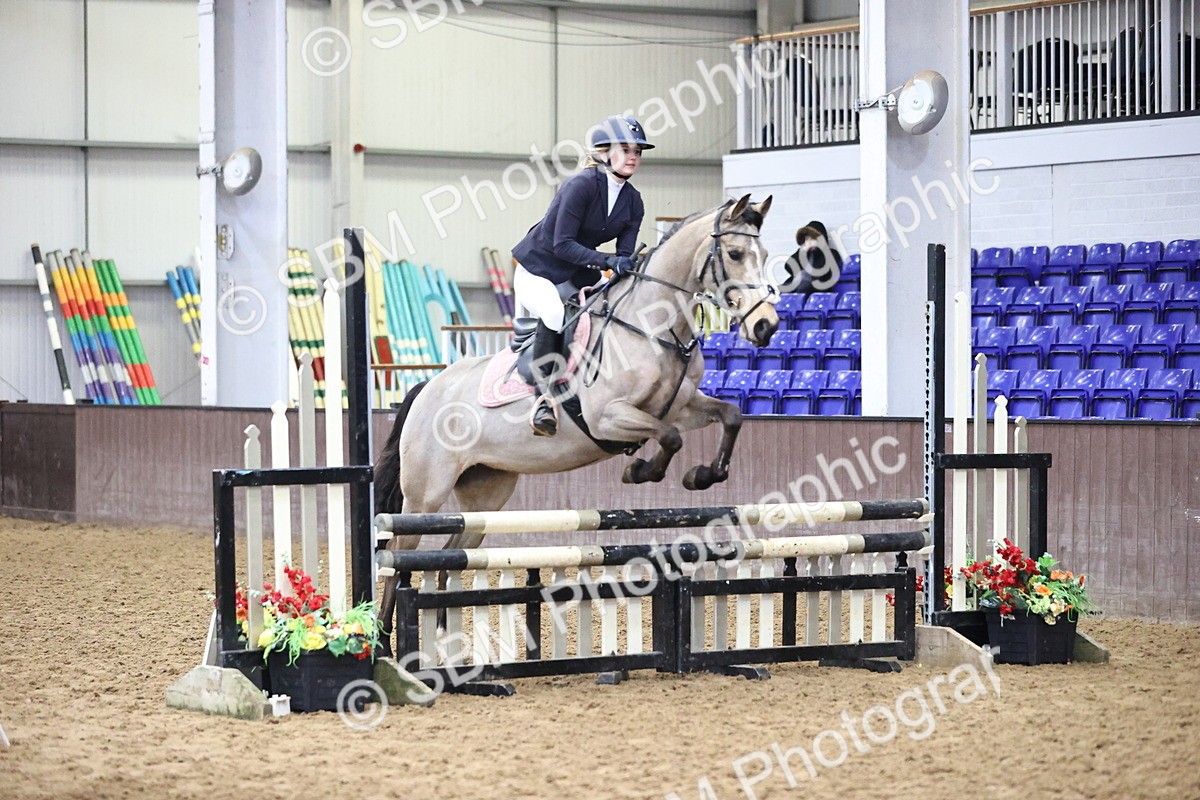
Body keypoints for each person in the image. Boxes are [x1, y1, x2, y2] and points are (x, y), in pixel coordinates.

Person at [511, 114, 652, 437]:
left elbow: (623, 255)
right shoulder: (581, 185)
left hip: (578, 274)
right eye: (626, 149)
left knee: (613, 306)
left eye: (638, 151)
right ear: (605, 153)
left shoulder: (633, 201)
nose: (633, 156)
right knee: (554, 312)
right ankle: (545, 398)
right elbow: (562, 244)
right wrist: (608, 261)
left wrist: (628, 265)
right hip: (539, 270)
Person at [779, 220, 843, 295]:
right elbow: (788, 266)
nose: (809, 242)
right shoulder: (805, 252)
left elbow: (818, 273)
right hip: (800, 287)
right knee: (782, 288)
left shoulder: (831, 253)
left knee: (803, 278)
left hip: (818, 288)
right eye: (806, 239)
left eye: (812, 239)